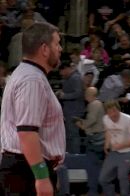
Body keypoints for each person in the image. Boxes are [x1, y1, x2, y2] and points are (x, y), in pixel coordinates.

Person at [0, 22, 65, 195]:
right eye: (57, 43)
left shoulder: (28, 74)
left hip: (26, 168)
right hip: (26, 171)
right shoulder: (32, 80)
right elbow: (27, 133)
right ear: (44, 49)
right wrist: (42, 177)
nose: (60, 49)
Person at [99, 100, 130, 196]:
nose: (112, 114)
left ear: (118, 109)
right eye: (109, 112)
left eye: (114, 111)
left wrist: (122, 145)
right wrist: (107, 144)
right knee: (103, 179)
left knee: (122, 176)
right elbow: (108, 132)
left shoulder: (129, 120)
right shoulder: (105, 119)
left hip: (129, 151)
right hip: (114, 151)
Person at [75, 87, 105, 196]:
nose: (85, 95)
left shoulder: (94, 104)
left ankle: (94, 190)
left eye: (86, 93)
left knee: (93, 165)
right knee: (96, 165)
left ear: (90, 94)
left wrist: (81, 125)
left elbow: (91, 121)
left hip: (96, 139)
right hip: (98, 138)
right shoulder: (98, 104)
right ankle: (96, 189)